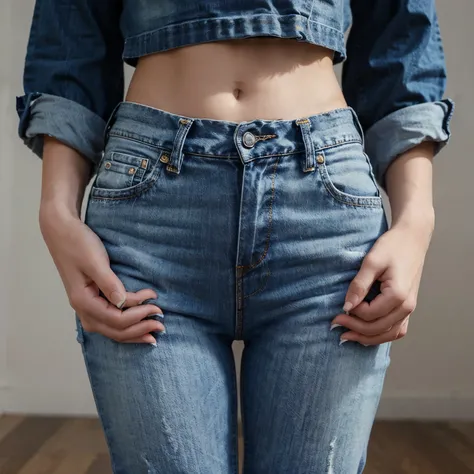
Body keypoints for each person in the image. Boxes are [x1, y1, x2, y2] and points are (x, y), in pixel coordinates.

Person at [16, 1, 453, 473]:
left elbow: (401, 34)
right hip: (153, 220)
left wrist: (416, 221)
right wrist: (56, 212)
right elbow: (71, 27)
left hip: (324, 220)